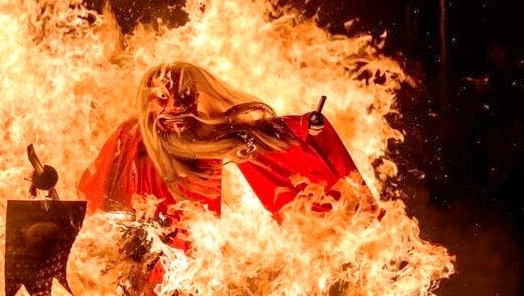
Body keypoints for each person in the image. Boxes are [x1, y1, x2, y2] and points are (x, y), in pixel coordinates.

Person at [78, 62, 373, 222]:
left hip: (190, 243)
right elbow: (97, 184)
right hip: (140, 230)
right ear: (150, 103)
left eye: (185, 98)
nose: (177, 110)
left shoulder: (206, 135)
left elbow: (256, 133)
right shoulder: (130, 137)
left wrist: (303, 125)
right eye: (166, 99)